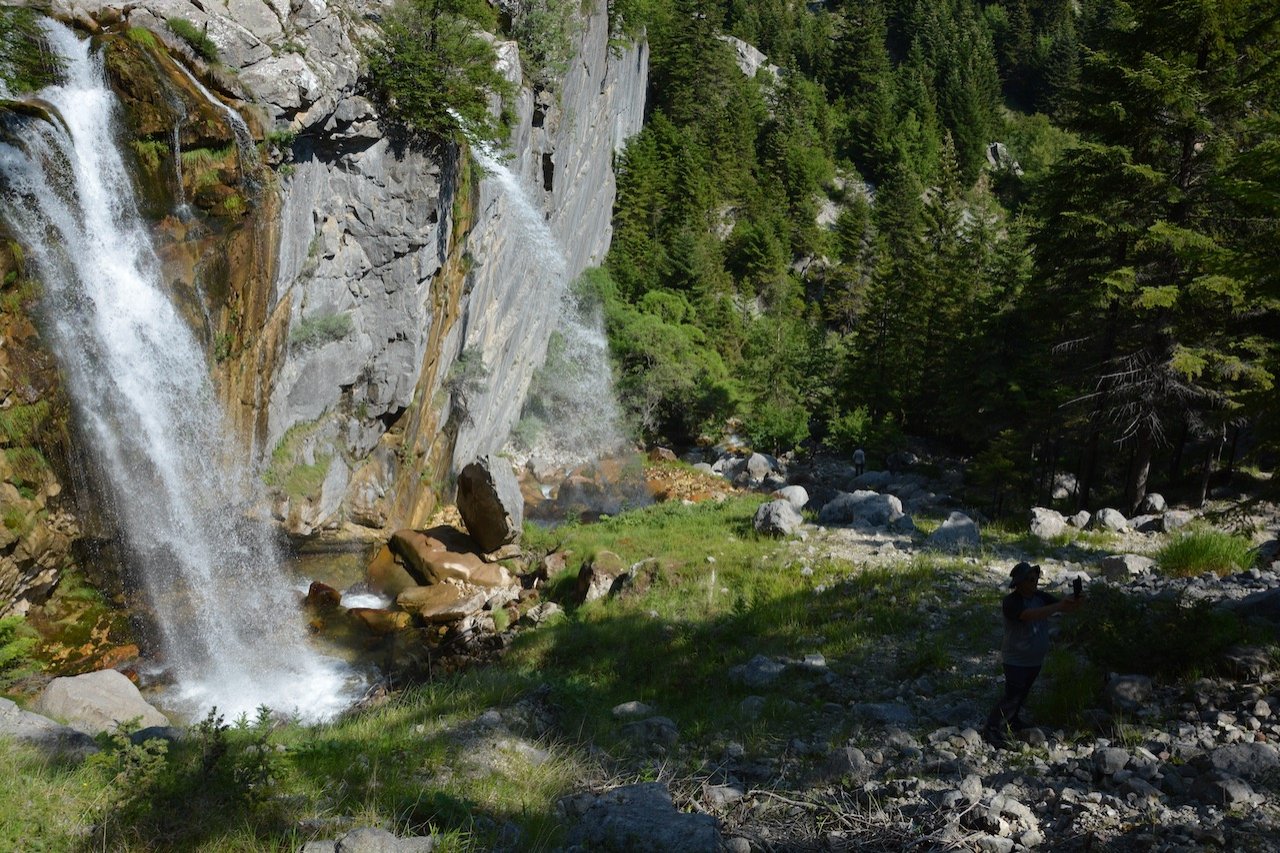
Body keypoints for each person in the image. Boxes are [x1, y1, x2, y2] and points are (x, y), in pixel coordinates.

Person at [982, 561, 1081, 747]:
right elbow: (1029, 615)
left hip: (1034, 659)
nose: (1035, 581)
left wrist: (1075, 601)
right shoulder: (1011, 602)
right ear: (1019, 583)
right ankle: (992, 727)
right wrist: (1058, 606)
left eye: (1036, 577)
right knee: (1012, 695)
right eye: (1030, 579)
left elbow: (1063, 606)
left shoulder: (1040, 596)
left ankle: (1013, 720)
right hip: (1015, 659)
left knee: (1022, 694)